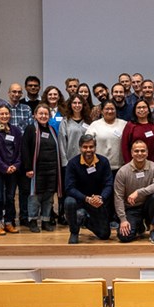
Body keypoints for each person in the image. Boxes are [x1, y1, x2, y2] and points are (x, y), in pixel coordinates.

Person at [64, 134, 113, 244]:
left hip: (97, 201)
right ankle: (74, 232)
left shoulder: (104, 162)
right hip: (80, 200)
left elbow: (109, 184)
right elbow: (69, 188)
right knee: (69, 201)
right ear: (80, 147)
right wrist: (86, 198)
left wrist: (101, 197)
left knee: (104, 235)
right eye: (85, 147)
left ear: (95, 147)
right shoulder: (72, 163)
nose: (88, 150)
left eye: (91, 147)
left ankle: (84, 219)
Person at [114, 139, 154, 244]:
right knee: (124, 237)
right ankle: (139, 226)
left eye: (143, 151)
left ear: (147, 152)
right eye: (136, 151)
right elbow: (118, 197)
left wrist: (138, 192)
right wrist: (123, 220)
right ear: (131, 153)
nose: (140, 153)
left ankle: (153, 230)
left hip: (148, 206)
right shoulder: (123, 171)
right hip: (131, 209)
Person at [22, 104, 63, 233]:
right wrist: (28, 168)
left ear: (49, 116)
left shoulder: (52, 129)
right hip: (36, 170)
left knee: (49, 196)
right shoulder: (30, 129)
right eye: (40, 113)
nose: (43, 116)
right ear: (35, 115)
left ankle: (45, 221)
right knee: (35, 197)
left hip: (51, 169)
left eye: (46, 114)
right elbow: (25, 149)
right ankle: (33, 221)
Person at [0, 105, 23, 235]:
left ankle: (8, 222)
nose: (4, 116)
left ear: (10, 115)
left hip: (13, 170)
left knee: (10, 197)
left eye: (6, 114)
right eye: (1, 114)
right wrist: (4, 167)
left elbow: (19, 151)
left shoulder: (16, 131)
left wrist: (15, 166)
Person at [58, 93, 93, 225]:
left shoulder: (89, 122)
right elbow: (62, 143)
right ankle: (69, 217)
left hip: (87, 162)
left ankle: (84, 216)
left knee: (85, 189)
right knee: (71, 190)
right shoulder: (65, 122)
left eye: (79, 103)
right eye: (74, 103)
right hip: (70, 163)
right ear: (70, 105)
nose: (77, 105)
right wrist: (65, 163)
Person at [6, 83, 34, 227]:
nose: (16, 94)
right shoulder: (3, 110)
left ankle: (24, 217)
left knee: (24, 191)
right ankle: (9, 218)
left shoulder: (26, 109)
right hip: (9, 157)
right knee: (10, 192)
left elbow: (29, 133)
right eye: (14, 92)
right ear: (8, 93)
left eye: (19, 92)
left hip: (23, 156)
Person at [85, 100, 128, 175]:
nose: (110, 111)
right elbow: (87, 144)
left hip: (120, 168)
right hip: (99, 167)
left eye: (112, 109)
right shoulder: (94, 125)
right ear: (101, 111)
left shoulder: (124, 124)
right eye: (107, 109)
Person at [121, 99, 154, 164]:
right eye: (139, 108)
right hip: (135, 164)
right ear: (134, 110)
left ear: (148, 110)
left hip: (153, 164)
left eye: (144, 107)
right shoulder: (130, 126)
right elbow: (125, 147)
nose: (142, 110)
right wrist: (129, 164)